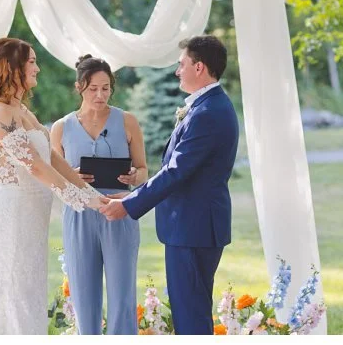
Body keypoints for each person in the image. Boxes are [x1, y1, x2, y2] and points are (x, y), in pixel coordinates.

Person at [0, 37, 105, 334]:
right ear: (13, 67)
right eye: (32, 62)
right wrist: (81, 201)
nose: (38, 69)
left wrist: (92, 194)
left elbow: (53, 158)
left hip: (32, 219)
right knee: (10, 292)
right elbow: (36, 167)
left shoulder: (23, 111)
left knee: (28, 290)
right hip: (12, 216)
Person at [99, 35, 238, 334]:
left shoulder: (208, 113)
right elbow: (180, 171)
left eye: (181, 64)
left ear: (199, 67)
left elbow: (176, 171)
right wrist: (134, 192)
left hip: (193, 228)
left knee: (191, 314)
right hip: (193, 226)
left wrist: (129, 205)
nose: (177, 71)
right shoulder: (208, 106)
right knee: (191, 309)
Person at [50, 55, 147, 335]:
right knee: (83, 293)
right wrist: (73, 176)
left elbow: (143, 171)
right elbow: (55, 178)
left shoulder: (128, 122)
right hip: (79, 215)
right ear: (80, 86)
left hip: (119, 212)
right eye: (93, 88)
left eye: (106, 88)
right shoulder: (61, 127)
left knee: (122, 294)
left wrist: (134, 177)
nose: (100, 95)